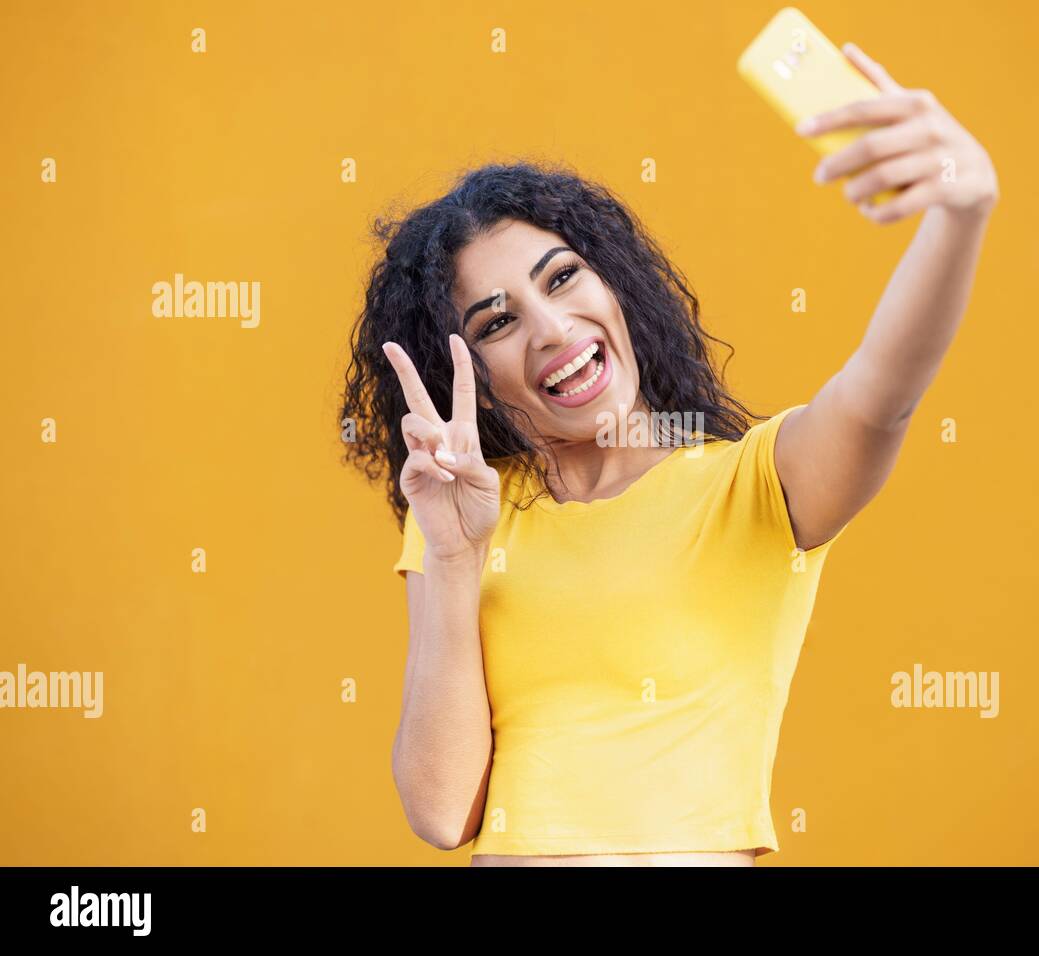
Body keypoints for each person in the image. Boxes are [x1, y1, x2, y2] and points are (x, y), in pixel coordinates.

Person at [339, 48, 998, 866]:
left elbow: (883, 390)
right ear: (463, 370)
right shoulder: (467, 512)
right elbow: (442, 812)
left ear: (617, 287)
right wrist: (452, 552)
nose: (551, 329)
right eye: (497, 323)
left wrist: (960, 213)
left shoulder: (753, 489)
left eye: (564, 278)